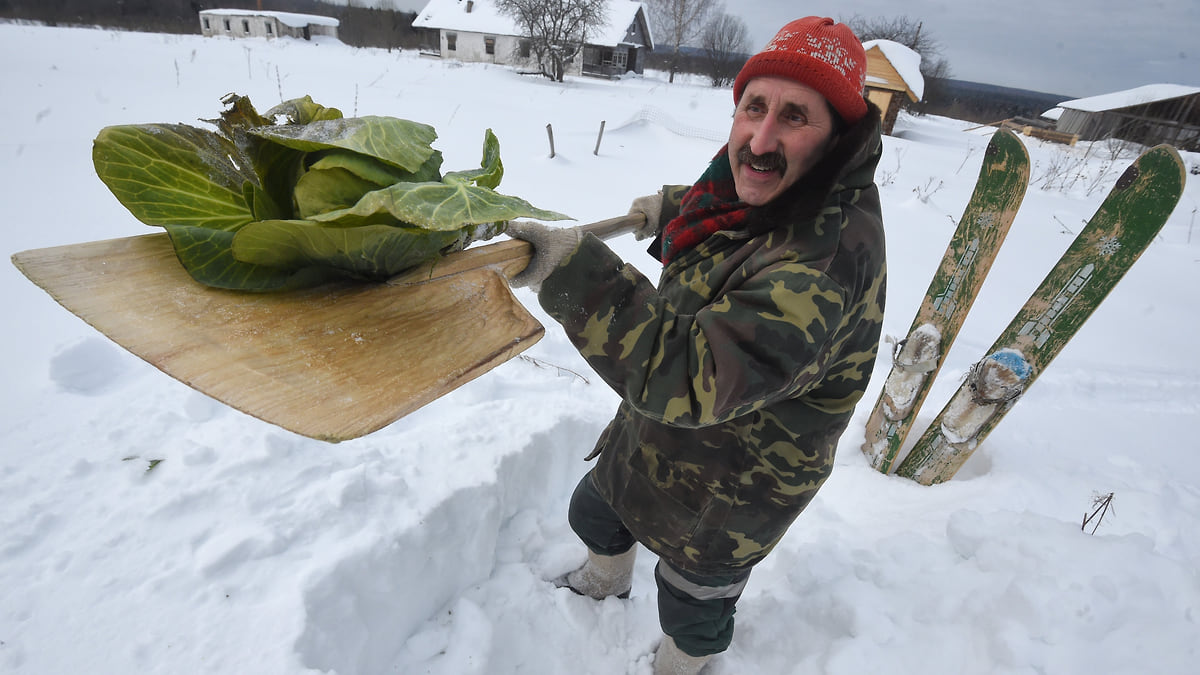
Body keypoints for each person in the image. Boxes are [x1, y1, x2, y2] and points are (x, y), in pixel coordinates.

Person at [506, 16, 886, 674]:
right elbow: (743, 218)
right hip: (659, 436)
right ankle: (605, 580)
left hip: (738, 479)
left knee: (694, 600)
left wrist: (575, 277)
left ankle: (681, 665)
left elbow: (691, 376)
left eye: (794, 115)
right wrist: (679, 211)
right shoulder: (783, 187)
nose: (760, 138)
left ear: (835, 139)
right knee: (595, 509)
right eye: (753, 107)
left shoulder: (823, 269)